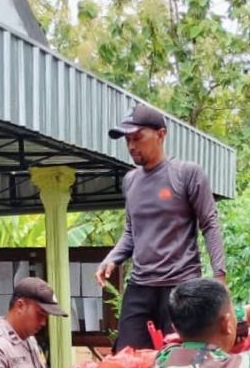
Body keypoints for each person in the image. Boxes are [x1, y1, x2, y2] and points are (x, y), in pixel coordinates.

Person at [97, 103, 226, 351]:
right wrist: (112, 258)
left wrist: (219, 277)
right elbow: (131, 231)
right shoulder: (130, 180)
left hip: (181, 285)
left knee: (181, 360)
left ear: (161, 134)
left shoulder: (186, 174)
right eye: (127, 140)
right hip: (141, 285)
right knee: (126, 356)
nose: (131, 146)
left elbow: (209, 223)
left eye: (137, 138)